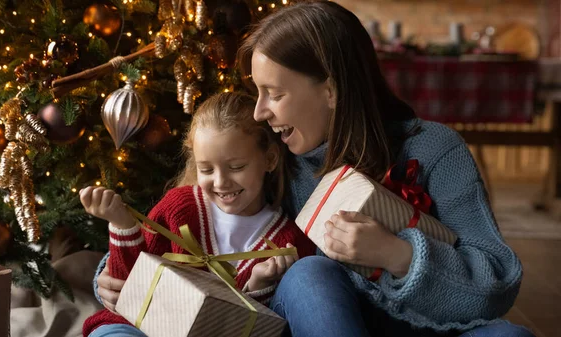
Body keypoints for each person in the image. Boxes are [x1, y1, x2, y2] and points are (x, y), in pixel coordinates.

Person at [93, 2, 535, 336]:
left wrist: (395, 255)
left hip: (437, 327)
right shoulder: (275, 159)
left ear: (331, 90)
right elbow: (196, 216)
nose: (261, 113)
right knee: (309, 274)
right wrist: (114, 276)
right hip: (323, 324)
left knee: (511, 335)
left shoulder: (436, 150)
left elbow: (500, 283)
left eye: (274, 93)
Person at [80, 92, 316, 337]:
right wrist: (122, 223)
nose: (221, 182)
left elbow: (266, 328)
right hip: (136, 328)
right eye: (206, 169)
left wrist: (258, 287)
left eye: (236, 167)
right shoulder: (180, 207)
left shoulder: (286, 242)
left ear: (269, 159)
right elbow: (127, 288)